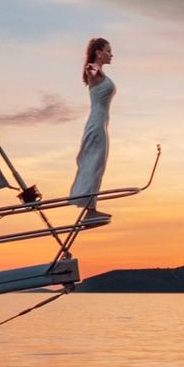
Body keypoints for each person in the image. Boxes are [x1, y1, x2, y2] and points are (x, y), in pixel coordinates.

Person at [69, 36, 115, 225]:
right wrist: (95, 66)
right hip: (96, 123)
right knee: (94, 163)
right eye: (108, 50)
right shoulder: (92, 69)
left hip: (101, 124)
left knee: (98, 164)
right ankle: (90, 211)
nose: (111, 54)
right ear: (99, 52)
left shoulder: (100, 72)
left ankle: (91, 208)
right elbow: (91, 69)